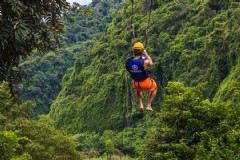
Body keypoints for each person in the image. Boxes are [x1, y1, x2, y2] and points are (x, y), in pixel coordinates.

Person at [126, 42, 157, 112]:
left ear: (133, 51)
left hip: (136, 83)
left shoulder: (128, 61)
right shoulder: (145, 62)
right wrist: (145, 54)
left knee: (138, 90)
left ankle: (141, 104)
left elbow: (129, 70)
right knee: (154, 87)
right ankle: (149, 105)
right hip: (146, 82)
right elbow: (151, 63)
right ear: (141, 51)